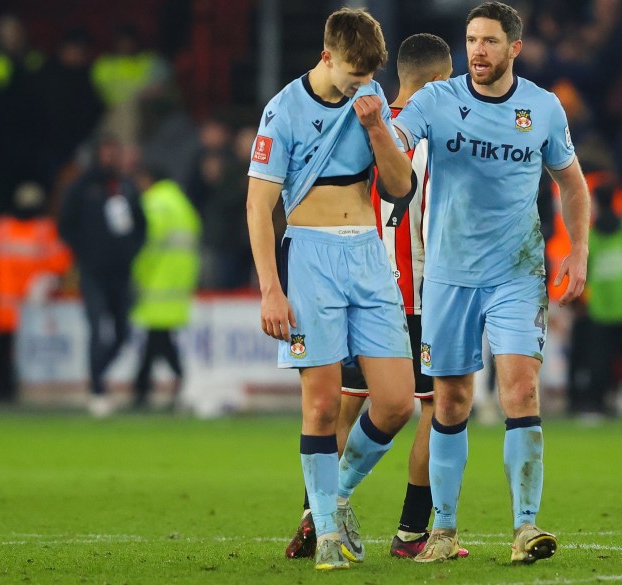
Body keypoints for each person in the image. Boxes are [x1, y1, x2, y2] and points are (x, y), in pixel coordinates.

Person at [377, 1, 590, 564]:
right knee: (451, 399)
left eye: (490, 41)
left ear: (514, 48)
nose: (478, 51)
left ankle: (526, 527)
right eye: (471, 40)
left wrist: (579, 250)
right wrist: (379, 134)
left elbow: (571, 182)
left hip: (518, 271)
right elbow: (396, 160)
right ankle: (442, 532)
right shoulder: (435, 101)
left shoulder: (542, 108)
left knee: (521, 388)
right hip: (448, 275)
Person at [283, 33, 467, 561]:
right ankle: (411, 532)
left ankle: (316, 518)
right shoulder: (435, 136)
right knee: (438, 410)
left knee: (338, 408)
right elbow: (435, 214)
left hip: (352, 280)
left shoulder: (355, 125)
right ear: (440, 81)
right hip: (423, 295)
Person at [246, 8, 416, 572]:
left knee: (394, 405)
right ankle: (326, 537)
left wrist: (375, 126)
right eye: (351, 74)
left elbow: (400, 188)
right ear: (326, 56)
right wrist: (271, 289)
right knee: (320, 406)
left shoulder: (369, 105)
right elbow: (259, 205)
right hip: (311, 257)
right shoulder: (284, 110)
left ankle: (334, 501)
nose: (359, 85)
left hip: (367, 256)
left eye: (368, 77)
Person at [58, 136, 147, 418]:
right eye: (105, 152)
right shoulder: (81, 188)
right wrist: (85, 254)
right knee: (97, 329)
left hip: (120, 274)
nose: (110, 158)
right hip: (93, 273)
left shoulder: (125, 187)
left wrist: (130, 253)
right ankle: (97, 389)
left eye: (114, 152)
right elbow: (65, 226)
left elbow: (141, 226)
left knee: (123, 333)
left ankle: (98, 376)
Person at [0, 182, 72, 400]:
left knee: (20, 350)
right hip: (12, 301)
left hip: (31, 303)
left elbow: (60, 264)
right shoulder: (4, 227)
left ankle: (11, 389)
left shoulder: (43, 229)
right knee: (2, 347)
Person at [130, 164, 201, 410]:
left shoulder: (153, 203)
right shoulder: (183, 204)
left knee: (158, 338)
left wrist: (135, 273)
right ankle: (143, 388)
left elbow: (146, 243)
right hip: (178, 284)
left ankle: (153, 387)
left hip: (156, 282)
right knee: (158, 338)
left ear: (147, 178)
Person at [583, 183, 622, 418]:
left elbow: (584, 269)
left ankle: (597, 403)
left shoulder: (590, 234)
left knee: (600, 358)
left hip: (600, 305)